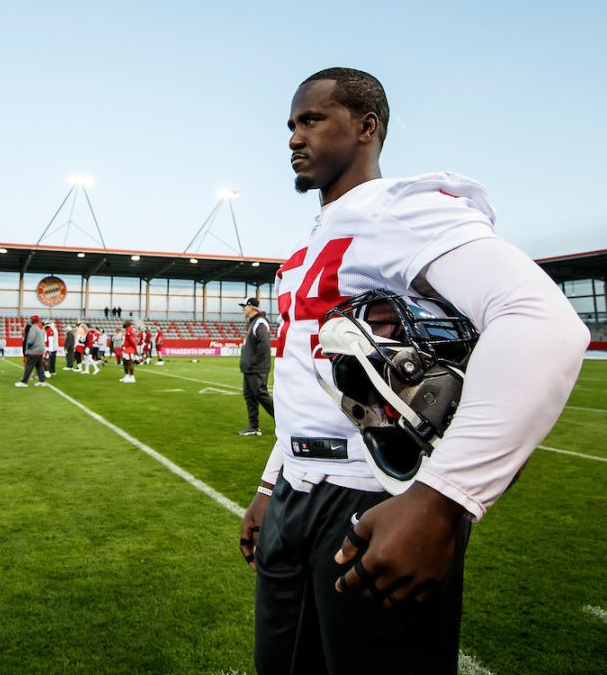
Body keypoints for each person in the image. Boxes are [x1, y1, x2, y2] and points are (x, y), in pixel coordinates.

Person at [240, 67, 588, 674]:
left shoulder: (403, 209)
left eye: (312, 120)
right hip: (299, 488)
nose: (295, 137)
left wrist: (442, 500)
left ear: (366, 127)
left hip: (375, 493)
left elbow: (540, 318)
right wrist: (274, 484)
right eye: (292, 125)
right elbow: (307, 378)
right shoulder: (315, 238)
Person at [237, 298, 274, 437]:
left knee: (261, 395)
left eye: (244, 306)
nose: (243, 309)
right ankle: (253, 426)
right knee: (249, 396)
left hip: (257, 368)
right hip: (250, 368)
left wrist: (252, 362)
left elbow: (264, 346)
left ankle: (284, 423)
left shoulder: (260, 322)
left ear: (252, 307)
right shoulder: (253, 322)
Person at [15, 315, 48, 387]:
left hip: (34, 350)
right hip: (41, 349)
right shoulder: (41, 328)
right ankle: (42, 381)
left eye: (31, 319)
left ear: (33, 320)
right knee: (39, 366)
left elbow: (31, 339)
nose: (30, 320)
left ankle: (24, 382)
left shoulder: (33, 328)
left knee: (28, 366)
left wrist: (28, 347)